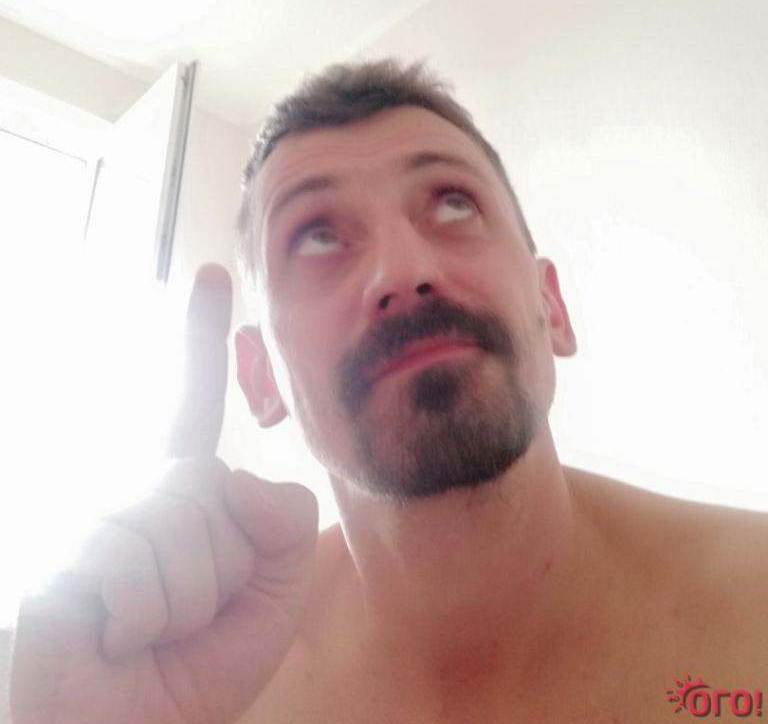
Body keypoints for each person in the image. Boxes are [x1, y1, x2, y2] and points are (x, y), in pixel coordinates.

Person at [9, 59, 768, 724]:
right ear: (260, 376)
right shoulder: (198, 685)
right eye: (317, 235)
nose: (402, 272)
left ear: (553, 309)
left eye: (452, 202)